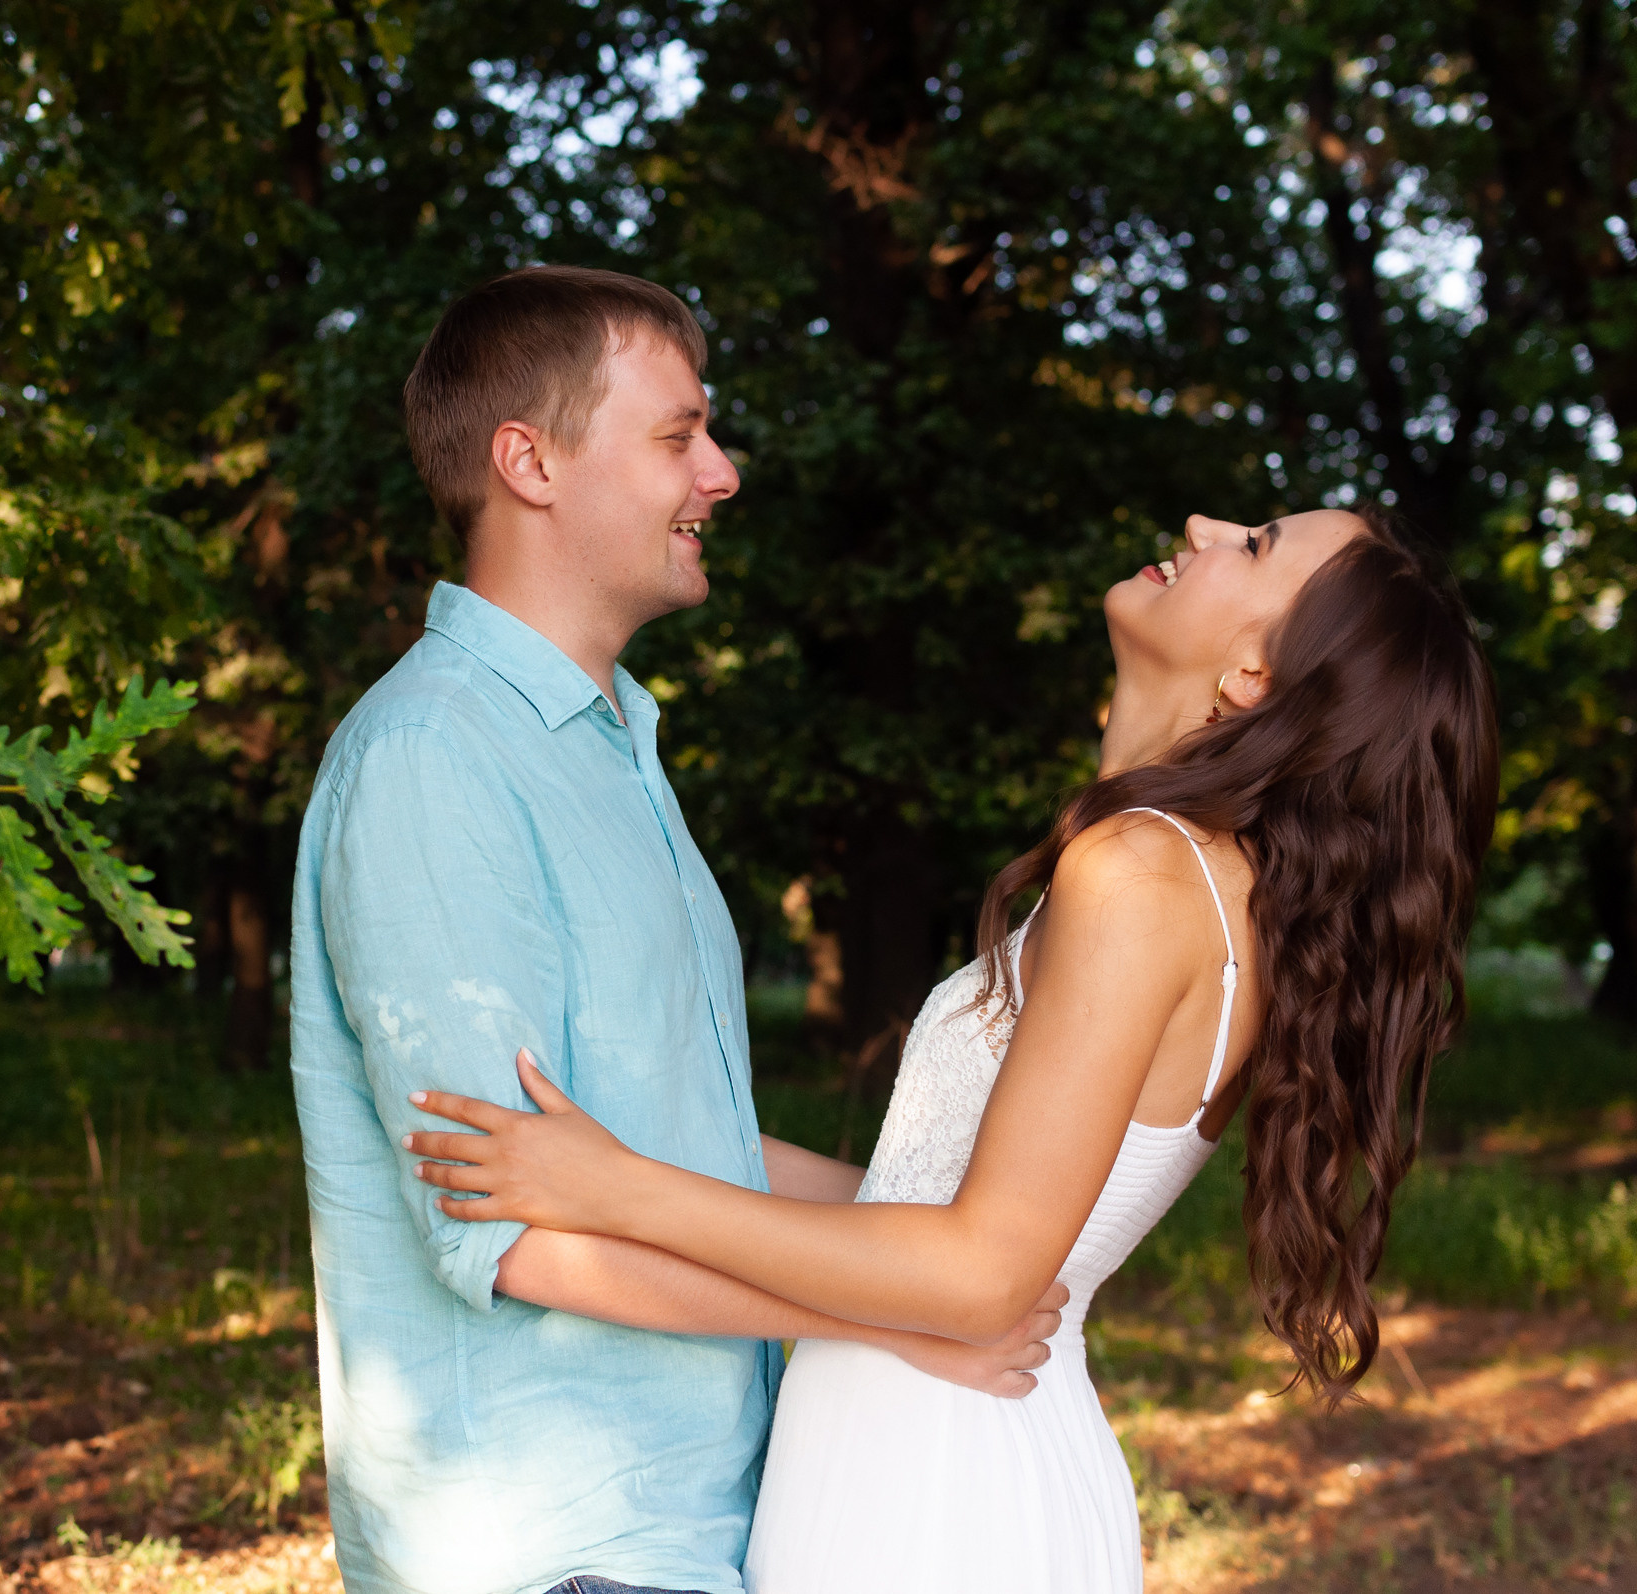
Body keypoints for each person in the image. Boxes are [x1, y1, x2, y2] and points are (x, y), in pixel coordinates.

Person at [403, 506, 1500, 1592]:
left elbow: (980, 1275)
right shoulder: (1202, 885)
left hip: (937, 1492)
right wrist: (622, 1149)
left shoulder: (1145, 873)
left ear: (1257, 676)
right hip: (936, 1454)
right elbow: (915, 1202)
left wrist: (623, 1189)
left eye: (1256, 545)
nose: (1207, 523)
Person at [288, 265, 1066, 1594]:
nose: (722, 473)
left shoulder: (611, 749)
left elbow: (663, 1140)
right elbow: (508, 1226)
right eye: (678, 435)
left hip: (693, 1527)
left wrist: (955, 1234)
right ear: (530, 462)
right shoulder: (434, 760)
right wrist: (896, 1315)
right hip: (556, 1549)